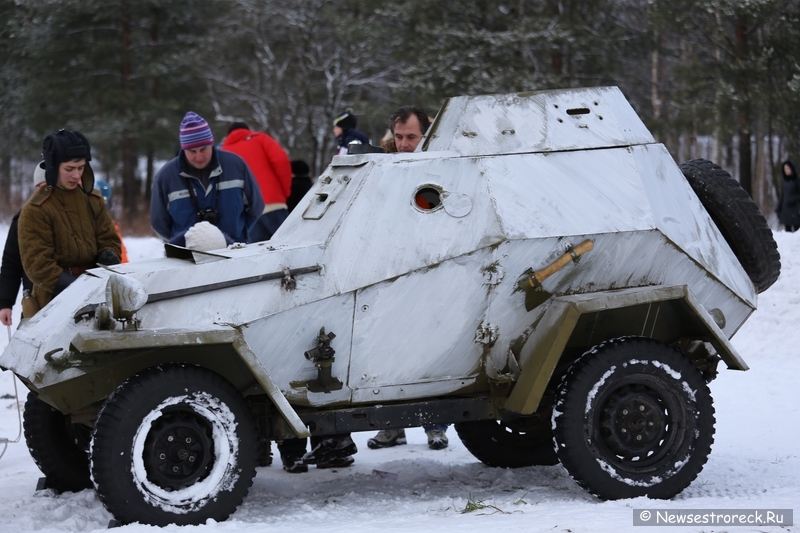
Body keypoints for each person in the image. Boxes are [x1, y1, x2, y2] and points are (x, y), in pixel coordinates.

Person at [366, 105, 449, 451]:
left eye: (411, 137)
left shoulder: (442, 162)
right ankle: (391, 427)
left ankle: (435, 426)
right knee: (389, 352)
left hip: (433, 268)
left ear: (425, 135)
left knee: (432, 350)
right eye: (399, 137)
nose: (403, 144)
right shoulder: (383, 164)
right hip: (390, 269)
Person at [18, 130, 122, 313]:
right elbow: (37, 264)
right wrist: (74, 287)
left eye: (81, 168)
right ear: (53, 166)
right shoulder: (36, 210)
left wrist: (109, 254)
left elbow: (110, 239)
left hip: (97, 293)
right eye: (69, 169)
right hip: (53, 301)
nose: (76, 175)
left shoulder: (93, 200)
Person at [150, 111, 265, 246]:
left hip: (234, 251)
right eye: (192, 151)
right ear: (183, 149)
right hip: (188, 258)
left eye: (203, 149)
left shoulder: (236, 165)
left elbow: (256, 206)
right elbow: (158, 221)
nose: (199, 157)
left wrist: (240, 233)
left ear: (212, 143)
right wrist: (181, 243)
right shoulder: (166, 176)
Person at [221, 122, 292, 241]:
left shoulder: (223, 153)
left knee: (260, 255)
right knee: (290, 245)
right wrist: (284, 192)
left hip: (248, 212)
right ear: (247, 130)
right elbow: (281, 161)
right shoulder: (260, 139)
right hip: (272, 203)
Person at [0, 163, 47, 326]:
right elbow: (11, 263)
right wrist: (5, 302)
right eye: (41, 186)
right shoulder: (23, 219)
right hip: (36, 302)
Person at [94, 179, 129, 263]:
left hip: (121, 269)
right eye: (101, 199)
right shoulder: (92, 223)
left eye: (106, 200)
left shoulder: (111, 223)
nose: (103, 203)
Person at [776, 160, 800, 232]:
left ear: (792, 168)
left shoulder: (797, 180)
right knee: (787, 232)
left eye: (787, 168)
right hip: (786, 209)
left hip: (795, 209)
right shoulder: (784, 181)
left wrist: (792, 199)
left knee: (797, 231)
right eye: (784, 168)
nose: (785, 170)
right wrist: (778, 209)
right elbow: (782, 196)